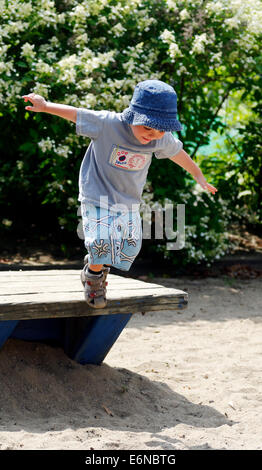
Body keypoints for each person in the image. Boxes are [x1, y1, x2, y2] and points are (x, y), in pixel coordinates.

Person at [22, 79, 217, 308]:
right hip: (97, 194)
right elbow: (77, 114)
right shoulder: (108, 124)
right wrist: (45, 106)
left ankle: (95, 263)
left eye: (159, 130)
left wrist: (199, 175)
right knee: (101, 242)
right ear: (134, 115)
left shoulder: (159, 138)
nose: (153, 135)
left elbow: (178, 153)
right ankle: (94, 278)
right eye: (147, 128)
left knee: (131, 246)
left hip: (127, 201)